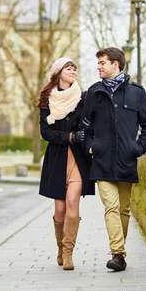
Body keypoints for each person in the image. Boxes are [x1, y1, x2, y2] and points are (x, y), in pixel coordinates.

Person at [81, 47, 146, 272]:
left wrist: (138, 147)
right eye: (98, 63)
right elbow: (84, 127)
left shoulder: (136, 93)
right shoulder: (93, 93)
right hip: (102, 162)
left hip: (126, 161)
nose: (99, 66)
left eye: (102, 62)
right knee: (111, 207)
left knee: (123, 210)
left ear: (116, 64)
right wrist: (91, 147)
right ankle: (118, 254)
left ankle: (118, 251)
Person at [38, 57, 94, 271]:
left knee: (73, 202)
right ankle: (60, 248)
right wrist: (70, 136)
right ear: (58, 72)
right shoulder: (46, 101)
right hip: (57, 160)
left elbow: (90, 124)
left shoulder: (83, 98)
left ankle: (69, 252)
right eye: (68, 68)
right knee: (60, 210)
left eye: (75, 68)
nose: (73, 71)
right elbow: (46, 133)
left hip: (78, 160)